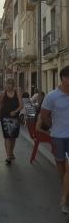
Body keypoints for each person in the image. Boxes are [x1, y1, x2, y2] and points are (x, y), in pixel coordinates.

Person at [41, 66, 69, 213]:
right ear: (63, 78)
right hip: (58, 136)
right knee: (60, 166)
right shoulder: (52, 96)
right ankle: (65, 187)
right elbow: (44, 115)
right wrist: (53, 127)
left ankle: (64, 199)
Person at [0, 78, 23, 165]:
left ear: (13, 85)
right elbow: (1, 104)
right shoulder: (3, 93)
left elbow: (21, 105)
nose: (8, 86)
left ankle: (11, 152)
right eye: (7, 84)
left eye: (10, 84)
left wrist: (15, 111)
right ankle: (8, 156)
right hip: (5, 117)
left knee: (13, 137)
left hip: (15, 118)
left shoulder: (17, 93)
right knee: (7, 136)